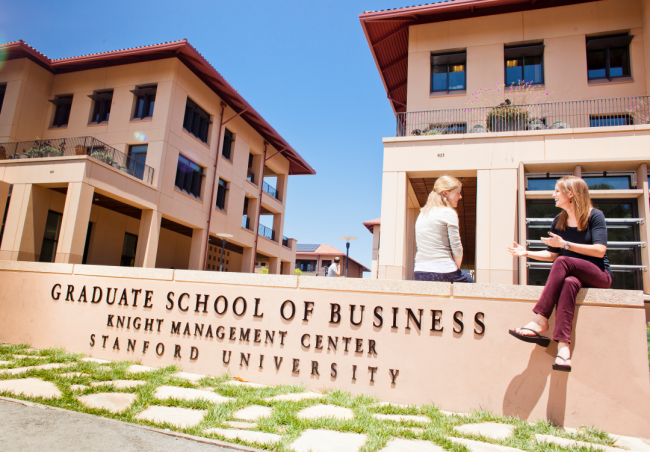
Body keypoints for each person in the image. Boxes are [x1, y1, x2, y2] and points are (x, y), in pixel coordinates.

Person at [508, 176, 611, 372]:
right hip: (575, 275)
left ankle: (541, 319)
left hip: (599, 273)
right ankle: (563, 350)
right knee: (569, 282)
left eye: (556, 191)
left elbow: (600, 250)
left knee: (564, 261)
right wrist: (526, 253)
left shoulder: (594, 216)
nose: (553, 194)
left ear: (570, 194)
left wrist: (564, 245)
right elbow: (551, 255)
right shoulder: (559, 221)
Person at [414, 175, 475, 283]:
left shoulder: (422, 214)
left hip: (419, 272)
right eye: (457, 193)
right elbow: (457, 248)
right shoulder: (448, 213)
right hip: (444, 271)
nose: (460, 196)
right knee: (474, 290)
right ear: (445, 193)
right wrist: (455, 269)